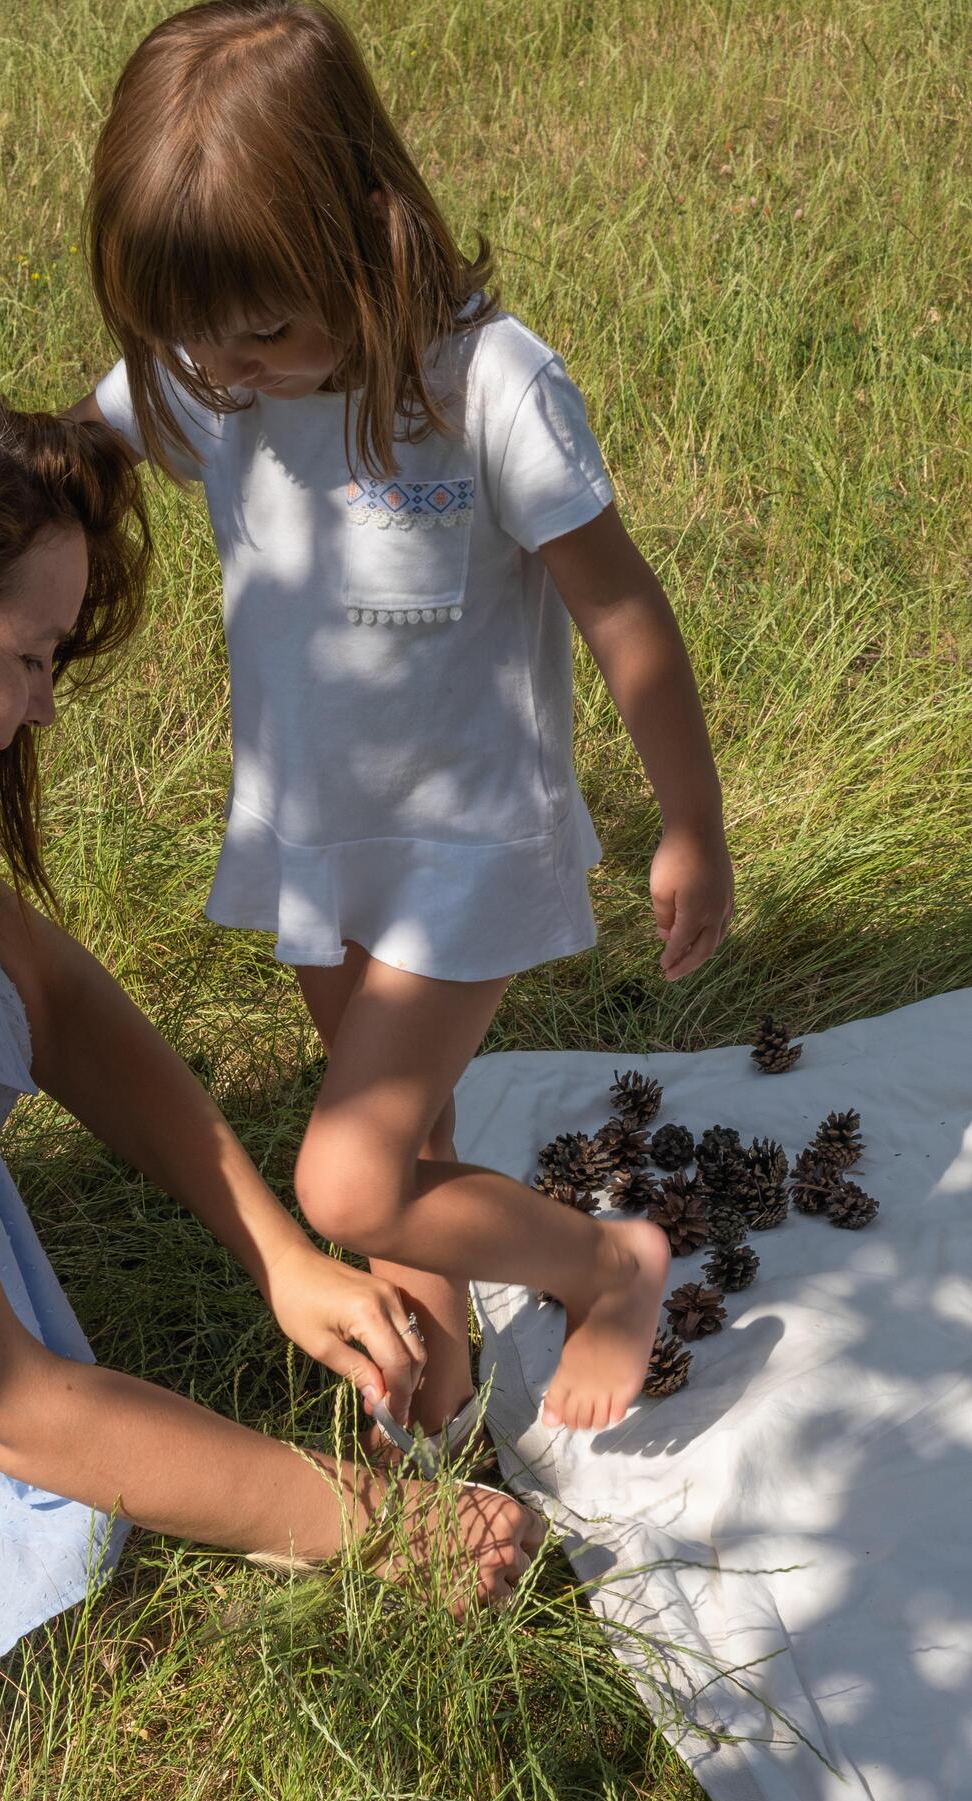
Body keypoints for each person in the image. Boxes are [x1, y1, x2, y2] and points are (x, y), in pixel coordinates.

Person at [0, 374, 538, 1801]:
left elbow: (53, 998)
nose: (42, 706)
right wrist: (365, 1524)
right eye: (23, 657)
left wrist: (279, 1259)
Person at [69, 0, 734, 1441]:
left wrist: (691, 822)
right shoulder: (212, 368)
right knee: (404, 1146)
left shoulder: (487, 385)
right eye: (190, 342)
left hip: (466, 848)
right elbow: (73, 452)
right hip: (318, 842)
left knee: (349, 1182)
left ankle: (608, 1263)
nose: (224, 374)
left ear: (366, 237)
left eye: (261, 333)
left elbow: (625, 612)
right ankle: (436, 1400)